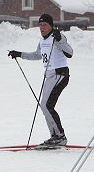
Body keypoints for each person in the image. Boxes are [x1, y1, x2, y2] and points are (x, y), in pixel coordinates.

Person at [8, 14, 73, 147]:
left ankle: (60, 136)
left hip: (60, 74)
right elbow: (37, 55)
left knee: (48, 105)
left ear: (51, 26)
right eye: (40, 25)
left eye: (45, 25)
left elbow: (70, 53)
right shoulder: (42, 41)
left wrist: (60, 38)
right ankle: (55, 135)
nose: (42, 28)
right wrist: (19, 54)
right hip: (49, 76)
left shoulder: (57, 37)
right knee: (44, 106)